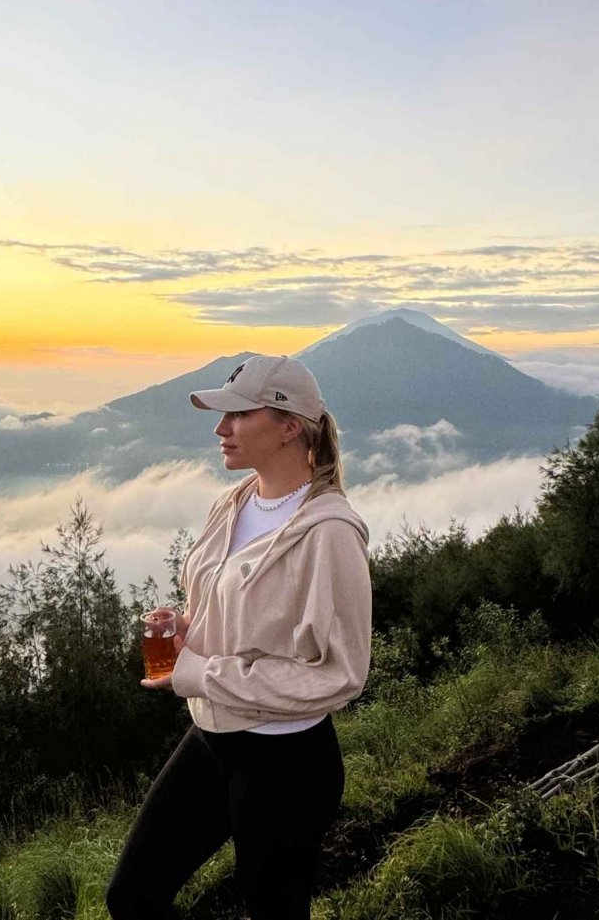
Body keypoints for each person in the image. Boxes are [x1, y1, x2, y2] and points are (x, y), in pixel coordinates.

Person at [105, 354, 372, 920]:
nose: (220, 429)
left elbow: (341, 674)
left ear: (289, 425)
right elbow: (245, 616)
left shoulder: (329, 533)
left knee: (273, 909)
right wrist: (190, 631)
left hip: (287, 760)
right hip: (213, 736)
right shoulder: (236, 503)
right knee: (132, 896)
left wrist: (200, 673)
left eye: (237, 415)